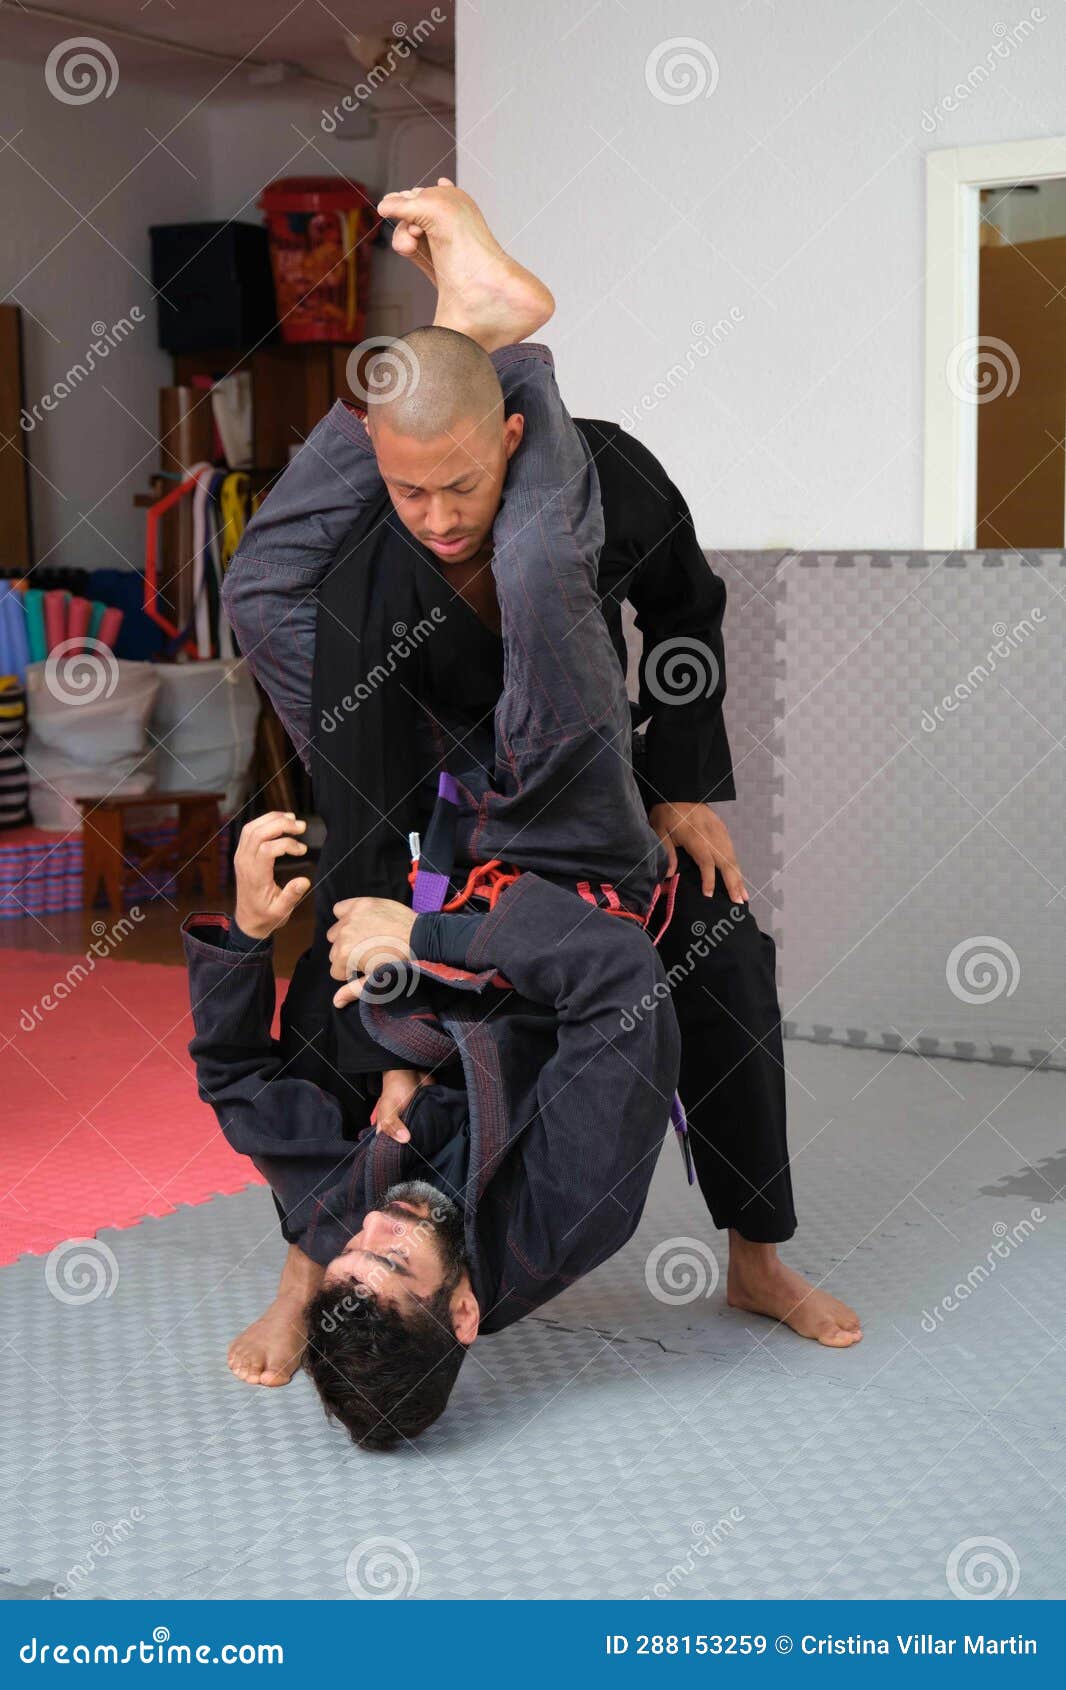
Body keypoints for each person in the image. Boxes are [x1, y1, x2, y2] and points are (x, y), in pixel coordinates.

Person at [223, 181, 863, 1352]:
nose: (439, 516)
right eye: (409, 488)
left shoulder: (606, 476)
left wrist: (681, 780)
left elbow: (685, 610)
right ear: (376, 459)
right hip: (418, 774)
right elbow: (282, 594)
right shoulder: (380, 524)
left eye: (461, 485)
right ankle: (301, 1270)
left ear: (511, 437)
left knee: (723, 951)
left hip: (577, 775)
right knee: (335, 971)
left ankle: (758, 1257)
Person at [185, 310, 681, 1451]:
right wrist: (428, 941)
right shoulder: (575, 1205)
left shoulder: (352, 1218)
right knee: (540, 563)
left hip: (446, 806)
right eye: (393, 1254)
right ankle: (516, 359)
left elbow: (233, 1077)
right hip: (572, 847)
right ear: (464, 1309)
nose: (374, 1218)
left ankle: (444, 358)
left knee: (263, 592)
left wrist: (248, 934)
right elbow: (614, 975)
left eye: (344, 1245)